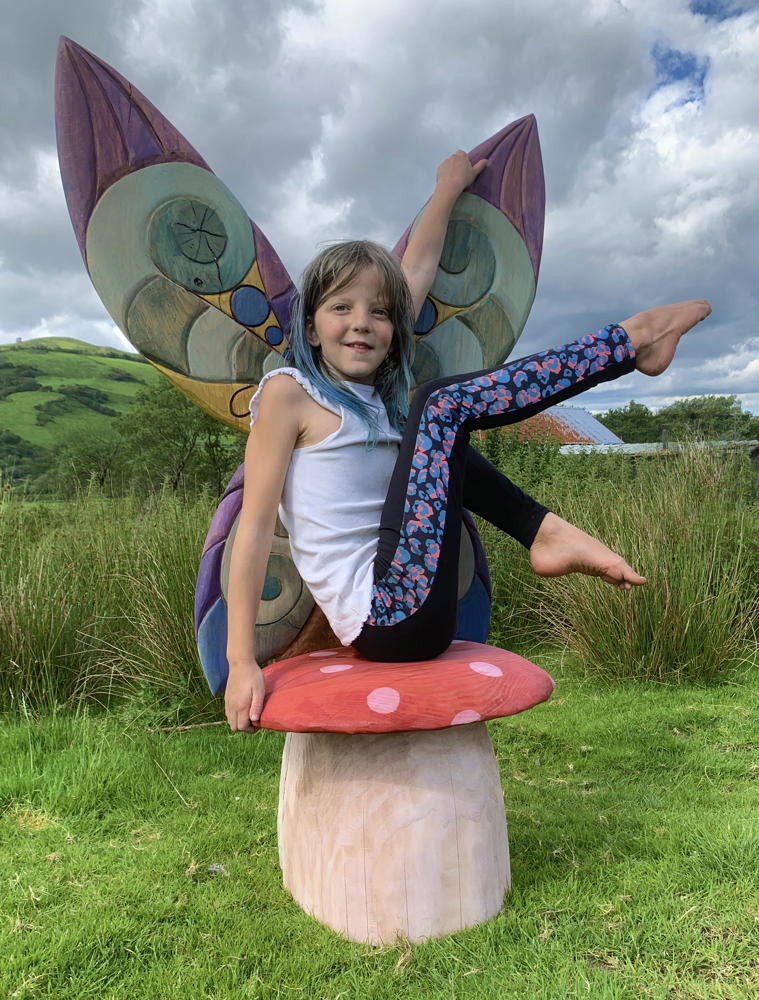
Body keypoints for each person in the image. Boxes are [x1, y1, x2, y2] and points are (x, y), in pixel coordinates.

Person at [224, 151, 711, 732]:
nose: (362, 322)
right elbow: (254, 529)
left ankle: (544, 531)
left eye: (379, 313)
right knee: (439, 406)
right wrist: (241, 660)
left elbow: (415, 274)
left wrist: (446, 190)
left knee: (428, 416)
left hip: (419, 607)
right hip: (385, 616)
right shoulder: (288, 393)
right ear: (311, 327)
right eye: (341, 308)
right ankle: (632, 341)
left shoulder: (383, 403)